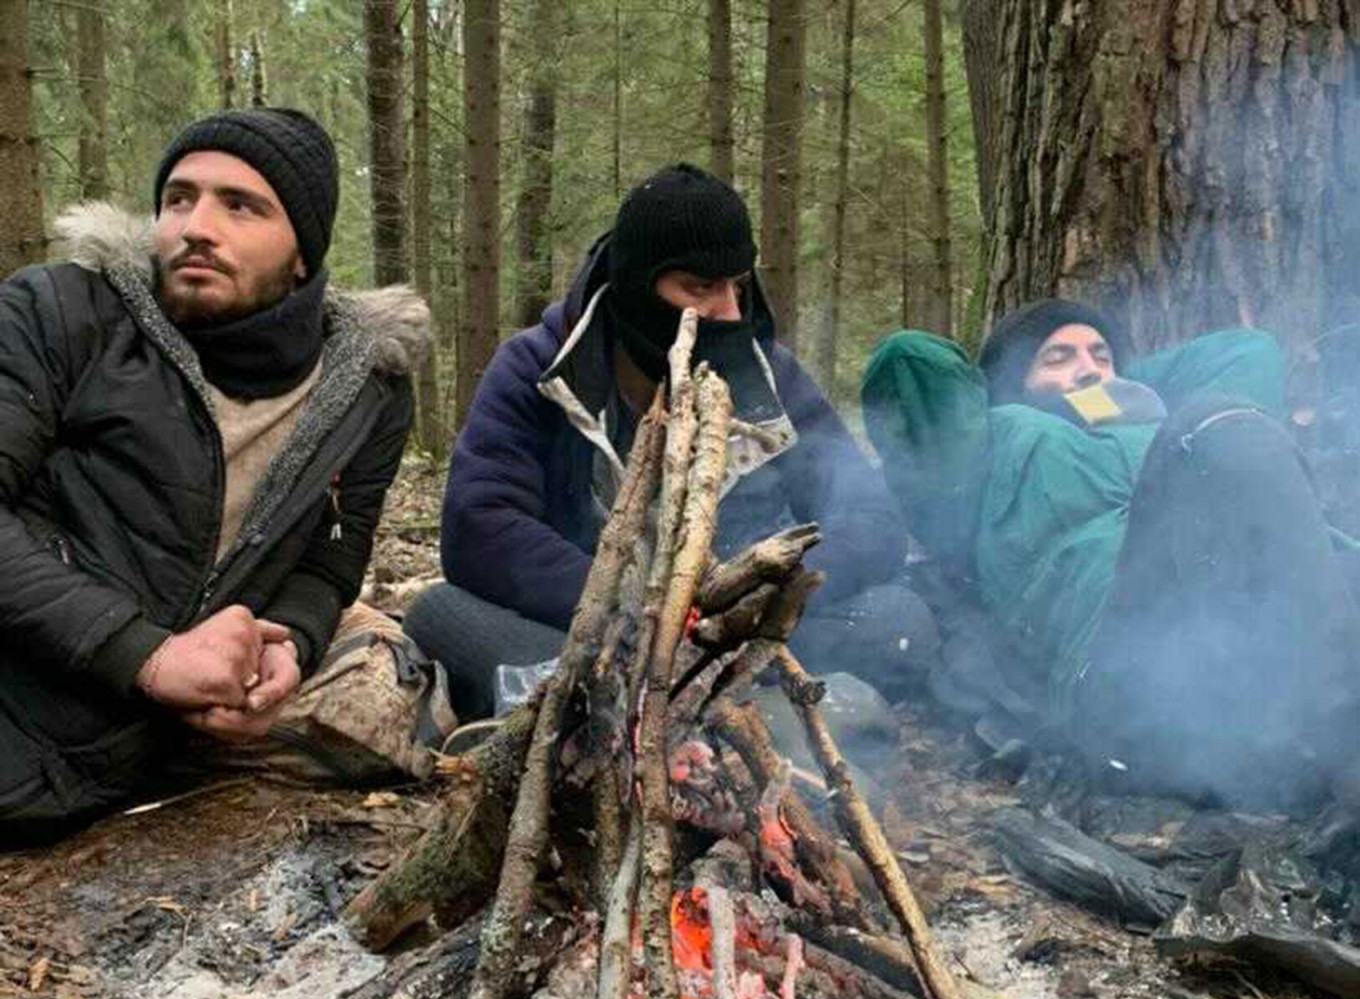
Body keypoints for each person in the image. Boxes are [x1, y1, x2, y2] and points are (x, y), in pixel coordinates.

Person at [0, 107, 430, 842]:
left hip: (151, 743)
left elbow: (332, 554)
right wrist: (149, 655)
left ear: (304, 252)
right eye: (179, 198)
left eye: (241, 205)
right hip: (29, 697)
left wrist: (289, 646)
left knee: (404, 696)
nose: (197, 225)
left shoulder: (367, 389)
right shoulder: (61, 313)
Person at [407, 163, 935, 720]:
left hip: (735, 635)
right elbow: (480, 526)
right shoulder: (537, 367)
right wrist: (634, 604)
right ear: (638, 286)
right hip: (590, 633)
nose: (729, 311)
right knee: (438, 614)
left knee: (899, 621)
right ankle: (664, 713)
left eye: (737, 284)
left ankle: (622, 716)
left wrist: (753, 594)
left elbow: (871, 519)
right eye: (700, 287)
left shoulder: (767, 376)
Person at [863, 298, 1360, 809]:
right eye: (1056, 357)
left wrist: (1115, 393)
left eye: (1102, 354)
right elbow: (909, 360)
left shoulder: (1156, 423)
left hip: (1270, 629)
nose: (1089, 367)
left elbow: (1247, 350)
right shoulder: (981, 447)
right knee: (1220, 424)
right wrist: (1037, 396)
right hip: (1131, 671)